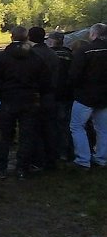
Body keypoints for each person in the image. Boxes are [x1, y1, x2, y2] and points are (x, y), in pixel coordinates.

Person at [0, 26, 51, 179]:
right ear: (27, 38)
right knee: (26, 135)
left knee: (4, 135)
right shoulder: (35, 57)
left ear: (11, 37)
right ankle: (22, 168)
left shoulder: (3, 57)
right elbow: (45, 80)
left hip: (8, 100)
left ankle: (0, 168)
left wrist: (0, 95)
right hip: (29, 100)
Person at [68, 23, 107, 169]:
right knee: (103, 129)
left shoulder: (85, 50)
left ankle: (83, 159)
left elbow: (74, 74)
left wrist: (75, 88)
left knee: (77, 126)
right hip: (104, 96)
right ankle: (102, 158)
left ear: (93, 34)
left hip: (85, 95)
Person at [28, 26, 60, 169]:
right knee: (50, 128)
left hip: (36, 95)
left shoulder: (31, 54)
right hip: (51, 95)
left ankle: (38, 160)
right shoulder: (52, 53)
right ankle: (52, 159)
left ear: (29, 37)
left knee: (35, 129)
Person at [46, 30, 74, 161]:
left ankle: (56, 151)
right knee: (66, 124)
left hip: (53, 93)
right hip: (68, 94)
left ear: (52, 41)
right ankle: (66, 150)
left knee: (53, 123)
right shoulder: (69, 54)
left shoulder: (49, 55)